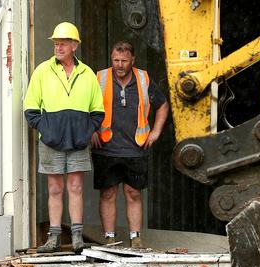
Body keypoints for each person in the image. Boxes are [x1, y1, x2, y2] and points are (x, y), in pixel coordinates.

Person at [24, 22, 105, 253]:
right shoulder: (42, 71)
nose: (58, 47)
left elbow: (98, 111)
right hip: (51, 142)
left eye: (62, 43)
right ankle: (54, 238)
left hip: (78, 141)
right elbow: (30, 109)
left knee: (76, 187)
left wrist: (85, 131)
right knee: (55, 189)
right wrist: (46, 130)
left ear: (74, 46)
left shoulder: (87, 73)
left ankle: (77, 237)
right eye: (56, 43)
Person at [91, 41, 169, 248]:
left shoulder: (143, 79)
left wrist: (156, 132)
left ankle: (136, 238)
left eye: (124, 61)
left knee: (133, 193)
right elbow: (84, 106)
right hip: (106, 146)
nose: (119, 65)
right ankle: (109, 237)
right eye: (116, 60)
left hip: (136, 147)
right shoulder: (99, 78)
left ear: (132, 60)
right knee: (108, 193)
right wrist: (91, 130)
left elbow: (162, 105)